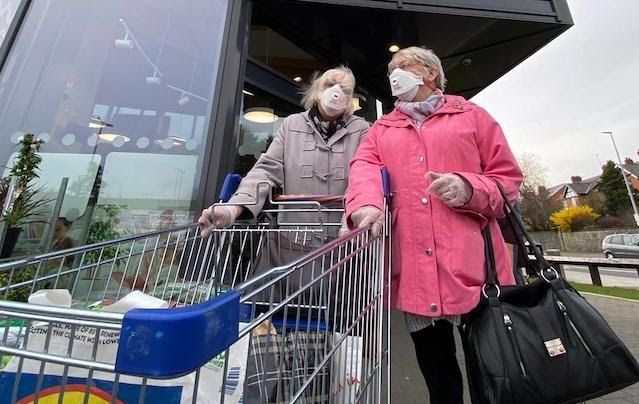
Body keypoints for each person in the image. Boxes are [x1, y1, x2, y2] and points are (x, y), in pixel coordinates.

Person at [345, 47, 522, 404]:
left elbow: (508, 181)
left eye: (404, 66)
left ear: (430, 74)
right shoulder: (381, 129)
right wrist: (365, 206)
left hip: (475, 268)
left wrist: (470, 187)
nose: (395, 72)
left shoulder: (472, 116)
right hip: (415, 269)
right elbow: (363, 169)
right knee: (437, 372)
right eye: (392, 68)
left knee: (489, 369)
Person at [198, 65, 369, 243]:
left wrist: (352, 218)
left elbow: (364, 176)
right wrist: (233, 208)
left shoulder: (361, 129)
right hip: (294, 241)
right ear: (316, 91)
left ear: (350, 100)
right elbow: (266, 170)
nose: (336, 92)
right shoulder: (292, 124)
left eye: (345, 89)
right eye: (330, 84)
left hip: (345, 246)